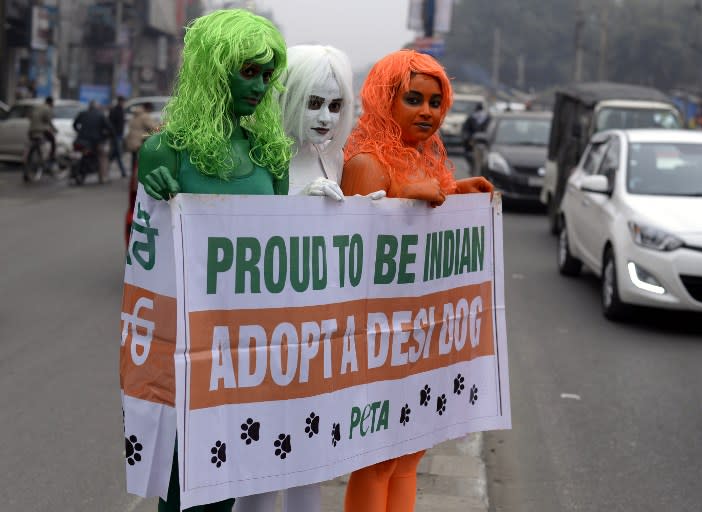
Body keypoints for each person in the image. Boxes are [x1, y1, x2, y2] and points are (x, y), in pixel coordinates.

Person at [135, 9, 291, 511]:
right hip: (186, 346)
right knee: (182, 481)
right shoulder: (164, 151)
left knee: (230, 477)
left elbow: (285, 251)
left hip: (250, 347)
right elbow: (144, 256)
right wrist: (155, 197)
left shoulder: (272, 157)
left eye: (268, 75)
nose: (261, 86)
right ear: (210, 68)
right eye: (248, 71)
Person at [340, 49, 493, 512]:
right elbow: (352, 254)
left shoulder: (428, 161)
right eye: (413, 99)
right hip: (375, 339)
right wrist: (401, 196)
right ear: (387, 99)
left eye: (434, 101)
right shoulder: (367, 162)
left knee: (410, 454)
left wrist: (457, 194)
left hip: (420, 338)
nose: (427, 111)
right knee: (376, 460)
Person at [233, 44, 357, 512]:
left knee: (312, 460)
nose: (325, 116)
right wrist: (295, 203)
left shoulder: (337, 159)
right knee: (262, 466)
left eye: (335, 105)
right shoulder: (262, 157)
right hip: (268, 334)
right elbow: (242, 235)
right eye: (313, 102)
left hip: (320, 337)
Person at [73, 100, 114, 183]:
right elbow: (109, 128)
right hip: (94, 141)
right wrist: (107, 135)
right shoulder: (100, 115)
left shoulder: (82, 113)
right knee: (102, 157)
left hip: (80, 140)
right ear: (97, 107)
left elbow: (74, 125)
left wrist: (79, 131)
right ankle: (102, 178)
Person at [125, 101, 158, 174]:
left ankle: (133, 177)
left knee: (134, 161)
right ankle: (138, 177)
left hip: (132, 141)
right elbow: (153, 127)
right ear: (148, 108)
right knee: (141, 161)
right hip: (140, 141)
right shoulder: (144, 116)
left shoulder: (135, 115)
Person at [461, 103, 490, 171]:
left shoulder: (472, 118)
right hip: (474, 143)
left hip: (481, 144)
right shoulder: (487, 118)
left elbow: (465, 130)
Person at [28, 96, 57, 165]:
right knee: (52, 140)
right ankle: (51, 156)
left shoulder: (37, 107)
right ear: (51, 103)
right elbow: (48, 121)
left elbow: (30, 116)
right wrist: (54, 129)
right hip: (40, 130)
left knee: (34, 145)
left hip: (31, 130)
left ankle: (38, 155)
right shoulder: (47, 108)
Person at [108, 95, 128, 177]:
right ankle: (123, 172)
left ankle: (105, 167)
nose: (123, 103)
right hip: (116, 135)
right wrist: (114, 133)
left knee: (115, 154)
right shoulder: (115, 111)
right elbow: (110, 123)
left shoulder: (121, 110)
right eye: (122, 102)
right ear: (119, 101)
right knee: (119, 154)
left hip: (119, 135)